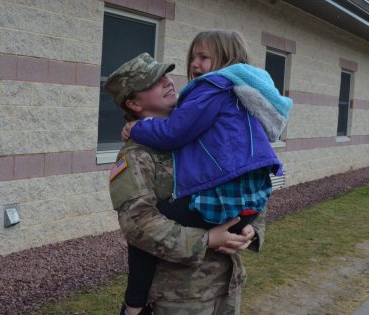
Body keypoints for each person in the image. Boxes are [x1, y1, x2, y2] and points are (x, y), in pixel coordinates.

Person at [115, 30, 293, 313]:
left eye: (166, 75)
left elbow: (245, 183)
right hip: (180, 297)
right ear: (134, 104)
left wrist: (250, 229)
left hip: (227, 285)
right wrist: (208, 239)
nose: (168, 82)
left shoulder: (208, 127)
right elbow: (139, 226)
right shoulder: (137, 153)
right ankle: (133, 306)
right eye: (154, 81)